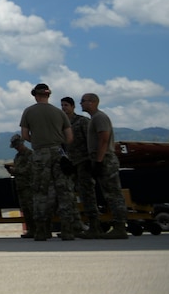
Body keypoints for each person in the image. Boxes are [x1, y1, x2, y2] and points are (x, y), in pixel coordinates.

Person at [18, 82, 77, 241]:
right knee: (64, 192)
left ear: (35, 95)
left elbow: (24, 135)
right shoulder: (60, 113)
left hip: (40, 153)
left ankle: (42, 231)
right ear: (48, 95)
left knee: (40, 192)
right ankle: (68, 231)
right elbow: (70, 138)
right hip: (59, 152)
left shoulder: (28, 112)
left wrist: (38, 142)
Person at [80, 93, 128, 239]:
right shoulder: (94, 119)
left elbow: (104, 139)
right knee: (108, 194)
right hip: (99, 158)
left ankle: (120, 227)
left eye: (83, 101)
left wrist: (99, 161)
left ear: (92, 102)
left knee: (113, 194)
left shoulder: (100, 117)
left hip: (105, 158)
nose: (81, 103)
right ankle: (98, 228)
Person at [61, 96, 100, 237]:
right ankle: (76, 225)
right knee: (69, 195)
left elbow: (91, 140)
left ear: (72, 107)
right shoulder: (62, 125)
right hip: (71, 164)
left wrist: (92, 159)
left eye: (66, 105)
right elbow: (62, 145)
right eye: (62, 105)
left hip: (84, 161)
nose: (64, 108)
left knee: (87, 194)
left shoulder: (82, 121)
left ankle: (94, 226)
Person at [8, 134, 34, 238]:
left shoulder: (30, 154)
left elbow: (29, 169)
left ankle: (38, 229)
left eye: (17, 146)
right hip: (21, 186)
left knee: (32, 208)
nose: (17, 148)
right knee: (25, 209)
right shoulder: (17, 157)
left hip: (29, 185)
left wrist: (16, 170)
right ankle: (30, 229)